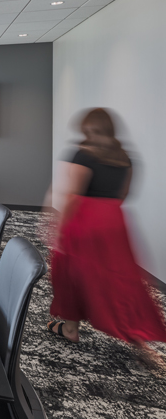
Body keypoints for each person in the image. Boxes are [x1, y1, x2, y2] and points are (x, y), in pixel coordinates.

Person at [46, 108, 166, 366]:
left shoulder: (82, 154)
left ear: (87, 129)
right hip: (114, 222)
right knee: (119, 280)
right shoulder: (126, 157)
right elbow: (124, 194)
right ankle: (136, 335)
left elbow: (72, 195)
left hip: (85, 221)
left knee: (69, 273)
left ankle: (70, 329)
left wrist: (58, 228)